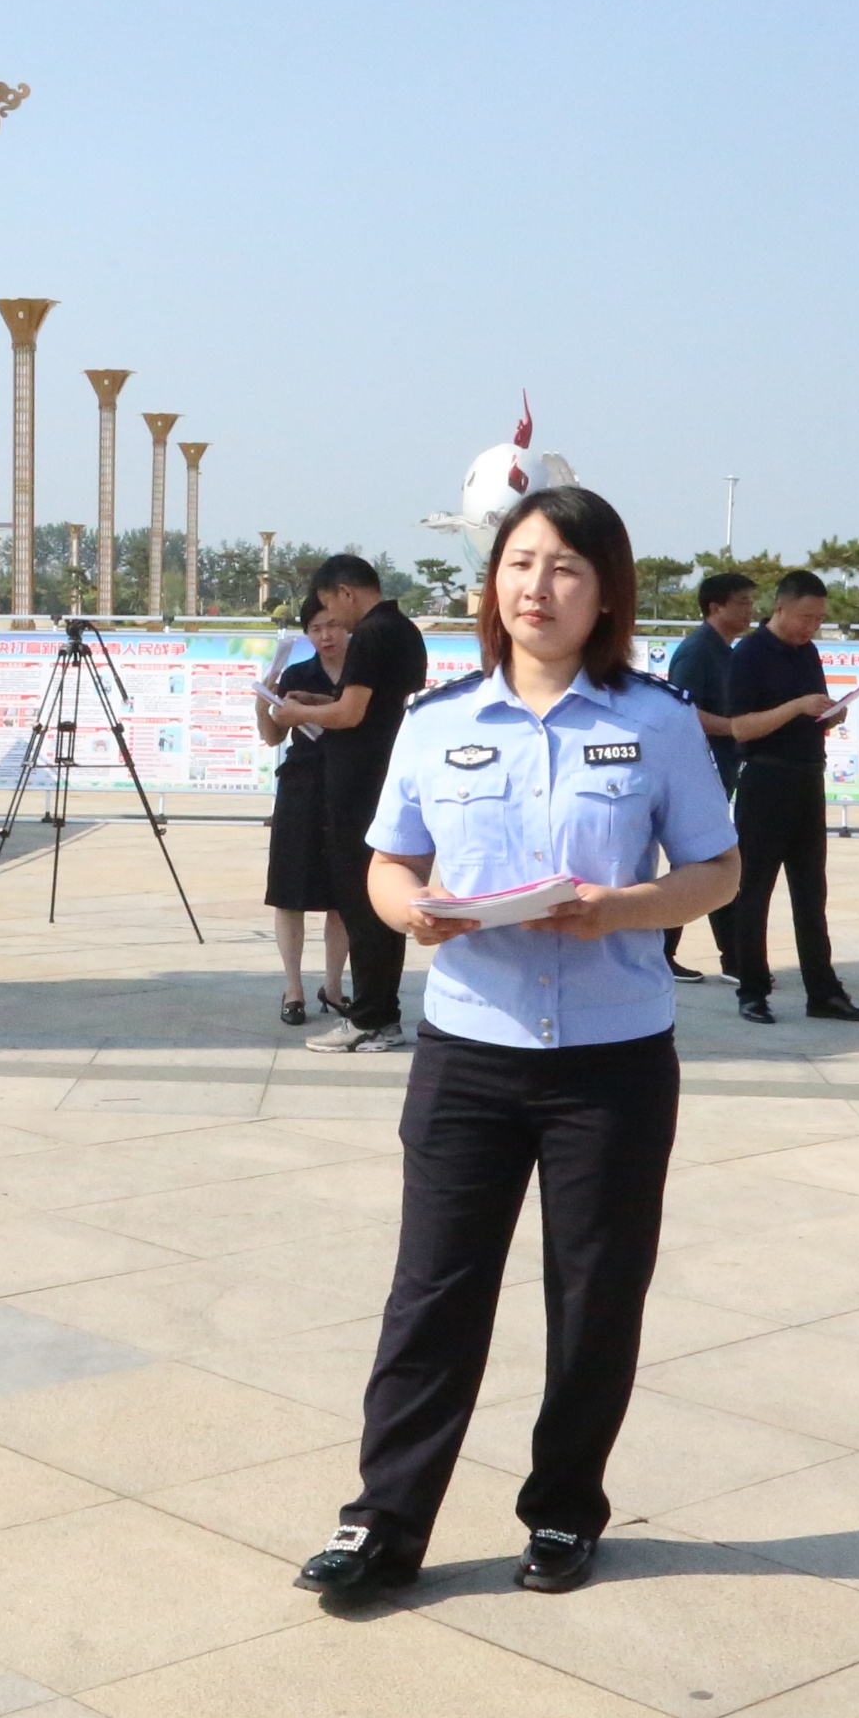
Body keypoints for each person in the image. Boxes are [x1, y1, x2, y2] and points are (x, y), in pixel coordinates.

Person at [294, 487, 739, 1604]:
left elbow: (717, 871)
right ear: (492, 583)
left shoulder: (656, 720)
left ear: (606, 594)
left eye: (566, 568)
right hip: (470, 1054)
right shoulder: (438, 720)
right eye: (520, 563)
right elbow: (389, 862)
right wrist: (408, 912)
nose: (538, 587)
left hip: (612, 1059)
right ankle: (382, 1520)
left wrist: (621, 907)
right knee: (432, 1293)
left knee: (594, 1295)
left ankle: (563, 1510)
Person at [273, 555, 428, 1054]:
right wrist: (319, 704)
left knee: (363, 908)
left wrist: (295, 713)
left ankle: (371, 1019)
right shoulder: (404, 630)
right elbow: (374, 708)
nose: (332, 622)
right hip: (384, 777)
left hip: (359, 786)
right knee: (380, 906)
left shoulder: (372, 635)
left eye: (330, 608)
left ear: (346, 592)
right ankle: (382, 1013)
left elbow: (352, 713)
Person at [717, 568, 859, 1024]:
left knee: (811, 892)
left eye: (819, 619)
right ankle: (752, 989)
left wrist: (830, 714)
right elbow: (741, 727)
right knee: (755, 891)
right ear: (780, 608)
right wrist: (796, 707)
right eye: (806, 617)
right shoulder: (749, 654)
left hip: (808, 780)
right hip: (766, 781)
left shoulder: (808, 652)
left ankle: (823, 992)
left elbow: (810, 713)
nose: (812, 627)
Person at [657, 568, 757, 981]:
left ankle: (733, 957)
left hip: (723, 766)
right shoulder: (698, 651)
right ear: (715, 608)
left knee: (716, 858)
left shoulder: (726, 650)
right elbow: (683, 712)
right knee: (701, 862)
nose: (751, 610)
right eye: (743, 603)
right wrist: (734, 728)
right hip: (700, 769)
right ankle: (665, 953)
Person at [255, 598, 351, 1024]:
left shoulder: (362, 674)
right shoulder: (296, 674)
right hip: (301, 787)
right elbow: (273, 737)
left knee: (343, 895)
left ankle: (333, 986)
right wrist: (263, 704)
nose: (326, 636)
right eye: (316, 628)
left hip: (350, 787)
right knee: (288, 890)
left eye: (333, 625)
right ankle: (293, 988)